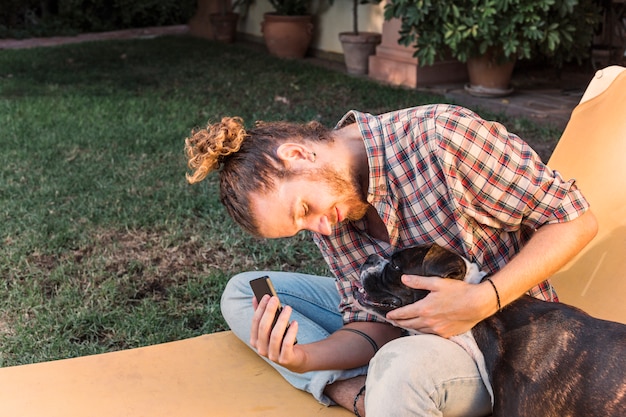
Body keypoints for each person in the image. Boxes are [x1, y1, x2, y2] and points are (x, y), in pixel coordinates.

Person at [184, 104, 597, 416]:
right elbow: (373, 325)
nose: (322, 230)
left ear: (297, 155)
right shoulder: (335, 206)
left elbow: (574, 220)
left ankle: (370, 391)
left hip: (499, 340)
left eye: (304, 211)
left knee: (398, 366)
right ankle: (356, 391)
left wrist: (485, 298)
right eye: (303, 228)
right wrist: (303, 358)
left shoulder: (442, 137)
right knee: (243, 293)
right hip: (409, 328)